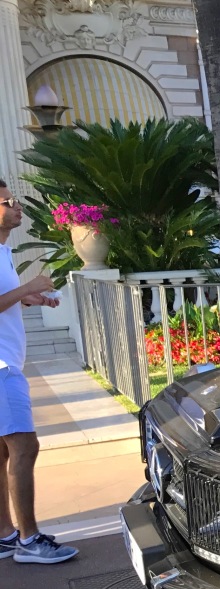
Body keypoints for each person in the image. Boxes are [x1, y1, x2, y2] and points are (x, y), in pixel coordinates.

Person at [0, 180, 78, 566]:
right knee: (25, 447)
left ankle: (5, 535)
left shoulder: (3, 251)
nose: (17, 207)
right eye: (7, 202)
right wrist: (28, 286)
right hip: (1, 369)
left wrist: (28, 297)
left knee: (2, 452)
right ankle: (29, 540)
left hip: (6, 361)